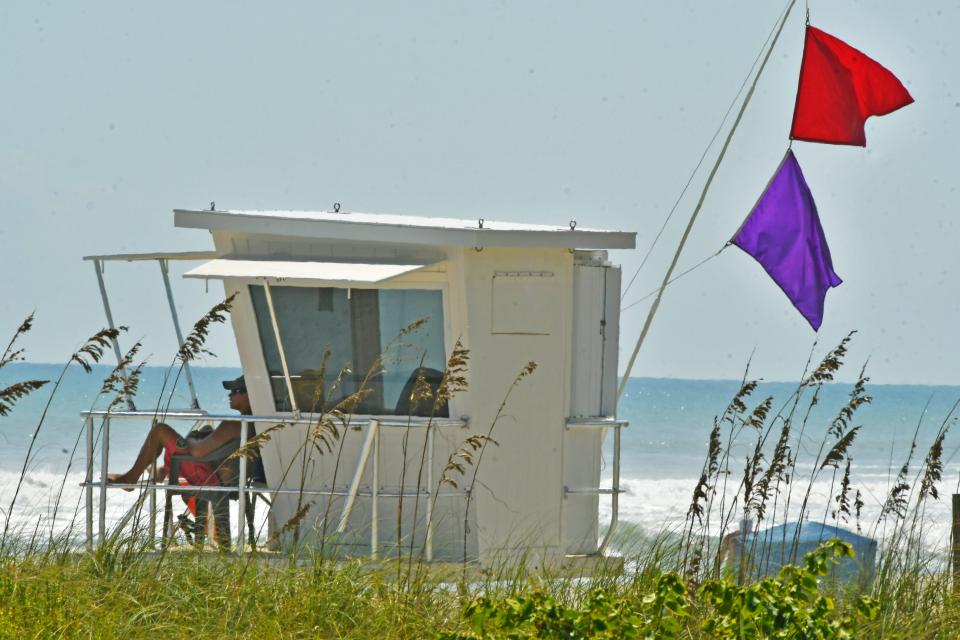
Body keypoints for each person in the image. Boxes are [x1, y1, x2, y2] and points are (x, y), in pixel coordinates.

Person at [108, 376, 256, 489]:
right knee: (206, 430)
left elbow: (198, 452)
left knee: (160, 430)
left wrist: (192, 438)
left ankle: (131, 478)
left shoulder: (233, 425)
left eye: (235, 391)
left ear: (249, 395)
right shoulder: (255, 424)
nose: (230, 395)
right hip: (229, 477)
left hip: (210, 476)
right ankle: (163, 471)